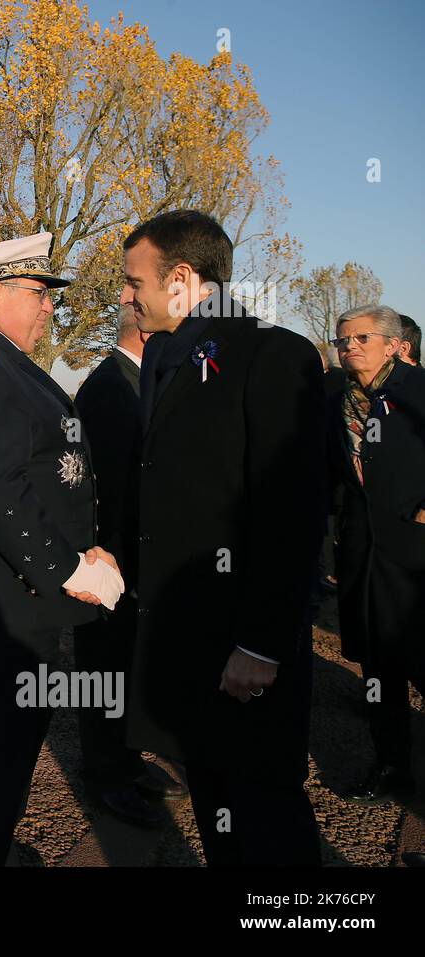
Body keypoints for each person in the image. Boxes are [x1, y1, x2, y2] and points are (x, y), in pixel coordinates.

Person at [120, 209, 326, 867]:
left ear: (182, 277)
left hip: (246, 659)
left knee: (268, 822)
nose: (126, 296)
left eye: (134, 281)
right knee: (220, 821)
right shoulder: (165, 358)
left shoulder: (275, 353)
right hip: (186, 650)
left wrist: (261, 644)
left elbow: (291, 513)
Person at [0, 231, 123, 867]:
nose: (48, 307)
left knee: (4, 744)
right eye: (38, 293)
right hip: (0, 599)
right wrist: (70, 569)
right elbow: (0, 494)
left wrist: (88, 552)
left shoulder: (4, 363)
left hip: (14, 592)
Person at [73, 304, 185, 828]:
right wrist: (114, 559)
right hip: (112, 559)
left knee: (125, 668)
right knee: (103, 670)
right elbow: (111, 488)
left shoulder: (134, 379)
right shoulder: (111, 386)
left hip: (132, 557)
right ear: (146, 333)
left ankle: (125, 760)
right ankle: (105, 775)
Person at [325, 306, 425, 818]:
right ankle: (392, 767)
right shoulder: (333, 399)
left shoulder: (418, 393)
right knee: (378, 671)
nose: (350, 347)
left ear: (393, 344)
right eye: (343, 340)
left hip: (416, 558)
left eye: (362, 338)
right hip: (363, 559)